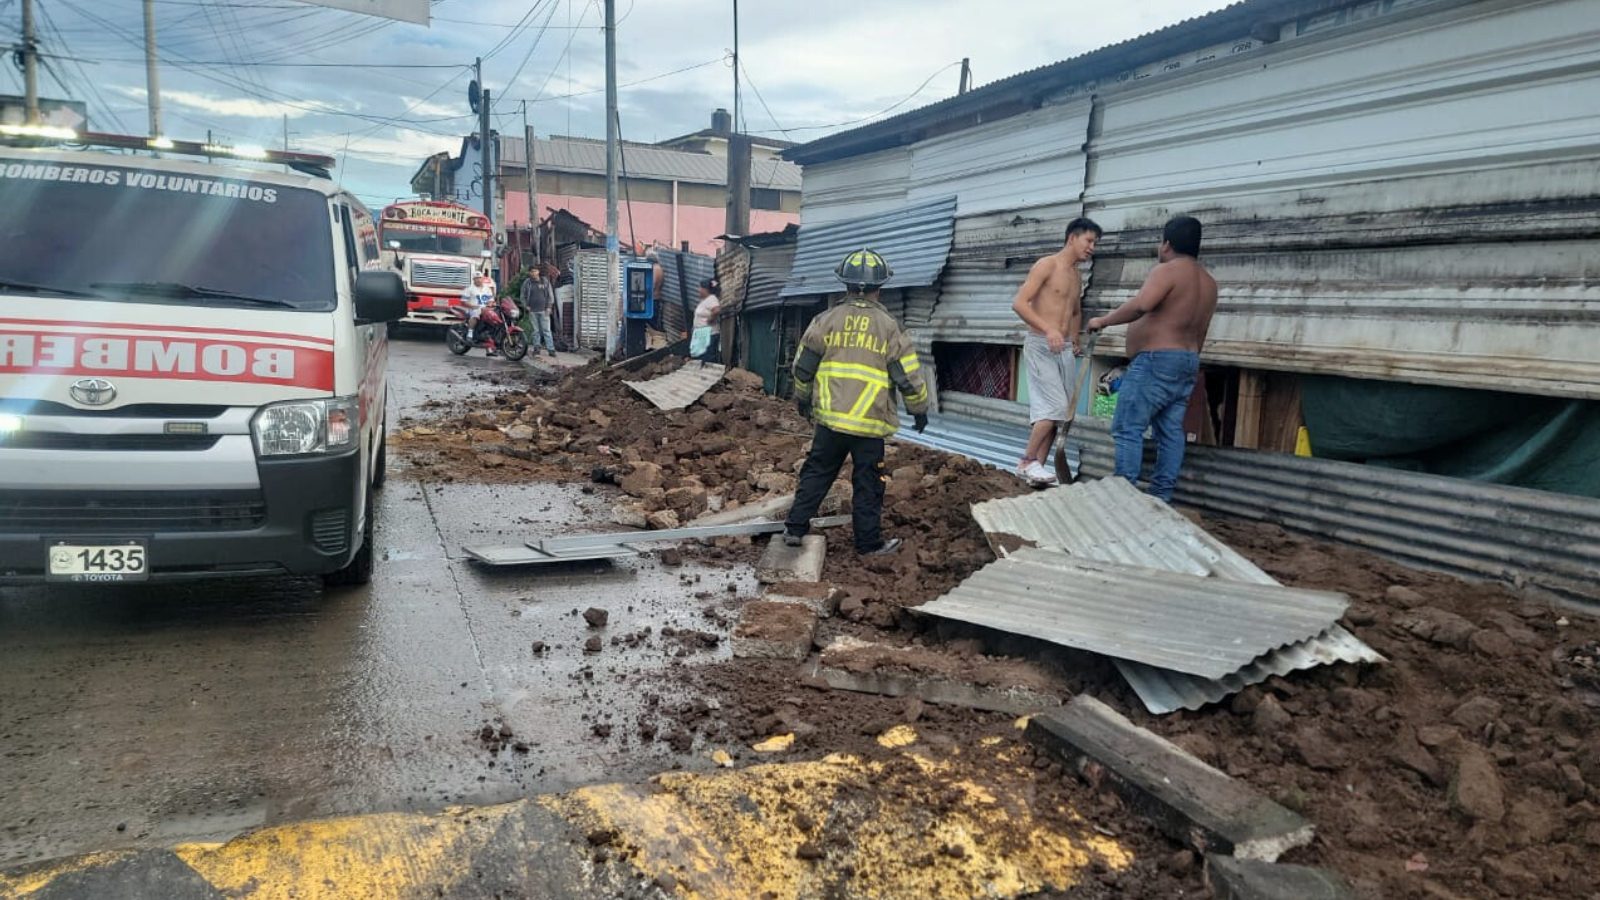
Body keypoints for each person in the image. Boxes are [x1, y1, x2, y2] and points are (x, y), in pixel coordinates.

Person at [783, 249, 930, 557]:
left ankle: (794, 529)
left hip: (831, 420)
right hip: (869, 423)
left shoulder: (825, 320)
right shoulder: (891, 327)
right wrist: (919, 410)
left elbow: (803, 367)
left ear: (845, 284)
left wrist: (803, 398)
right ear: (881, 286)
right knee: (868, 483)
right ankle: (868, 544)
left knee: (817, 472)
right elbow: (907, 377)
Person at [1087, 215, 1218, 502]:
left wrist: (1103, 320)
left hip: (1157, 359)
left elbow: (1142, 305)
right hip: (1186, 361)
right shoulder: (1209, 283)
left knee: (1127, 425)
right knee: (1170, 432)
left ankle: (1124, 496)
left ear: (1167, 244)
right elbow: (1202, 331)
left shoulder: (1167, 271)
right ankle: (1161, 496)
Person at [1010, 217, 1101, 486]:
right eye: (1089, 240)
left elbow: (1074, 310)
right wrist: (1048, 330)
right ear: (1072, 238)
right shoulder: (1047, 265)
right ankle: (1026, 461)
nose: (1092, 247)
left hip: (1062, 349)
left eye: (1095, 243)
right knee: (1054, 407)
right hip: (1041, 344)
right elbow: (1019, 303)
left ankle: (1037, 467)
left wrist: (1074, 339)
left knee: (1061, 414)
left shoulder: (1076, 275)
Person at [520, 267, 557, 357]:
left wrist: (549, 307)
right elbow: (522, 296)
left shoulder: (545, 281)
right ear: (529, 273)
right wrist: (526, 306)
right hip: (532, 311)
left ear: (538, 272)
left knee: (547, 330)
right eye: (531, 271)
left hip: (544, 310)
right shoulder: (527, 283)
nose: (533, 273)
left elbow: (550, 295)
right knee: (535, 331)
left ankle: (551, 349)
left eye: (535, 271)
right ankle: (537, 348)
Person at [460, 273, 496, 351]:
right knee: (476, 313)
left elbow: (491, 300)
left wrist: (489, 305)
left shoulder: (487, 289)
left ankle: (489, 344)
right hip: (473, 308)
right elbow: (463, 301)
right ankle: (470, 334)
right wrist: (472, 306)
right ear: (473, 279)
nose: (478, 280)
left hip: (485, 309)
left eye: (479, 278)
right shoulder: (469, 289)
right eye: (476, 278)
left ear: (482, 279)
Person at [690, 278, 722, 363]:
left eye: (700, 288)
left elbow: (717, 310)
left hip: (708, 333)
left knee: (708, 359)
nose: (698, 290)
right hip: (702, 334)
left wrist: (711, 319)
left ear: (706, 290)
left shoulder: (711, 298)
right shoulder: (705, 300)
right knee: (701, 358)